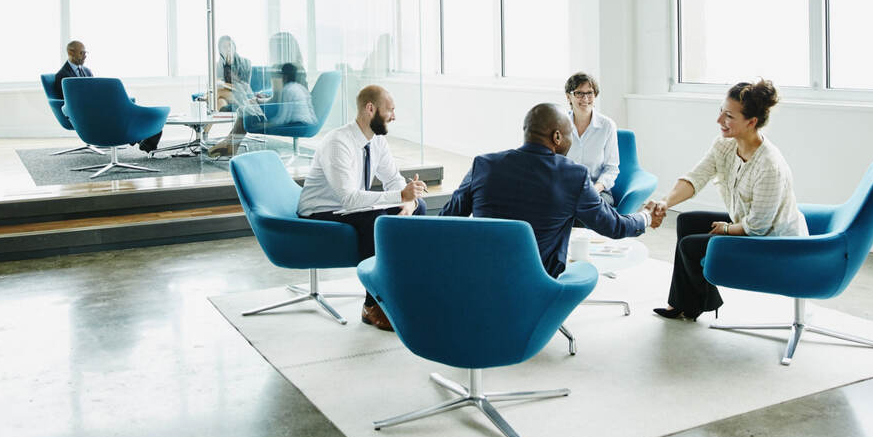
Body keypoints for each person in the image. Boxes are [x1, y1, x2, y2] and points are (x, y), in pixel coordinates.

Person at [442, 103, 664, 278]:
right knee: (584, 269)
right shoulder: (573, 175)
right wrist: (645, 216)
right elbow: (614, 226)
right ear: (557, 137)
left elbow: (446, 220)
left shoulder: (483, 164)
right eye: (569, 135)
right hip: (539, 282)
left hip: (482, 275)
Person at [648, 78, 807, 321]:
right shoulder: (725, 145)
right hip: (750, 225)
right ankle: (684, 304)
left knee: (690, 246)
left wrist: (727, 228)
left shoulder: (769, 166)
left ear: (751, 122)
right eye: (721, 112)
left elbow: (759, 227)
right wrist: (665, 203)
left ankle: (702, 302)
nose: (720, 121)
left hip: (773, 241)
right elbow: (696, 177)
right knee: (687, 223)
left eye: (729, 116)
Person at [296, 85, 427, 330]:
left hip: (351, 208)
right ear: (370, 109)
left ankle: (399, 294)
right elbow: (348, 199)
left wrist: (408, 203)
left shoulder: (376, 141)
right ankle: (372, 305)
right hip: (321, 210)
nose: (394, 117)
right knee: (375, 220)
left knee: (419, 208)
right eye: (390, 110)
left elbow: (393, 179)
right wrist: (400, 195)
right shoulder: (338, 143)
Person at [54, 39, 161, 153]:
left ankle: (141, 136)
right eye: (82, 53)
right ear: (71, 52)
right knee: (116, 114)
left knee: (120, 107)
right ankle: (140, 138)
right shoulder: (62, 76)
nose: (85, 56)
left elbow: (94, 91)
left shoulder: (87, 71)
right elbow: (67, 101)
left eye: (86, 53)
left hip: (95, 106)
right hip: (82, 112)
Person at [205, 62, 316, 156]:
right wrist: (260, 100)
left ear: (284, 76)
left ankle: (230, 144)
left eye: (276, 75)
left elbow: (283, 117)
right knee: (244, 109)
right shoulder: (295, 87)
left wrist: (269, 124)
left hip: (298, 123)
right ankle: (230, 144)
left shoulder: (289, 90)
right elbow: (279, 104)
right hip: (302, 121)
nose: (274, 78)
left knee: (245, 111)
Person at [563, 72, 621, 212]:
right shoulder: (560, 123)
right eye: (579, 93)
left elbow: (611, 169)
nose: (585, 98)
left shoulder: (607, 126)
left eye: (590, 93)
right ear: (569, 96)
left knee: (585, 209)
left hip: (597, 190)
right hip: (565, 189)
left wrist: (594, 190)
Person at [215, 36, 253, 111]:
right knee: (220, 101)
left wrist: (228, 67)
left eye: (229, 45)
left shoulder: (246, 63)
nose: (228, 49)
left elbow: (245, 86)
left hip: (242, 93)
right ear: (220, 51)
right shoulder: (217, 66)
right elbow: (219, 84)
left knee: (216, 94)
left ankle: (206, 98)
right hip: (225, 94)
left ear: (234, 47)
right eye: (224, 47)